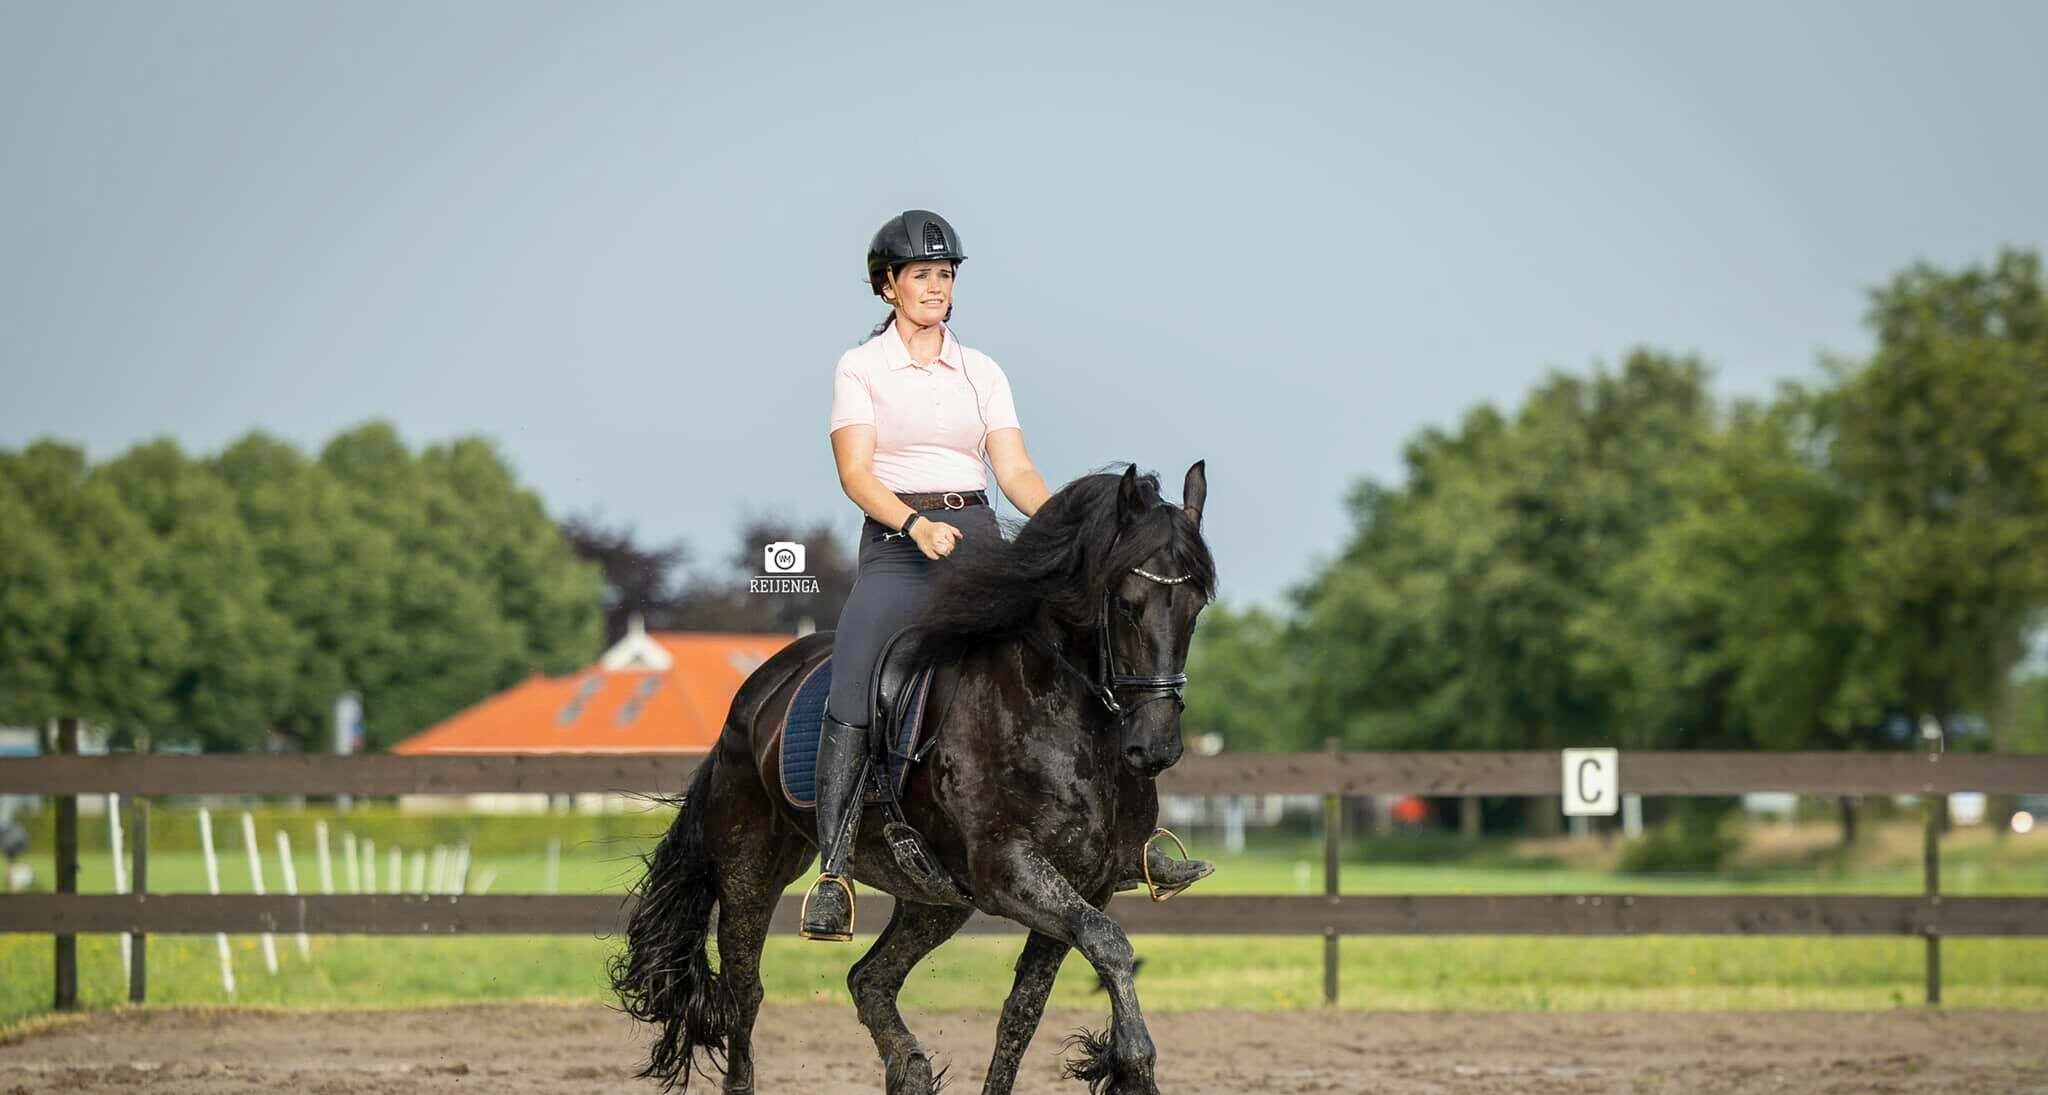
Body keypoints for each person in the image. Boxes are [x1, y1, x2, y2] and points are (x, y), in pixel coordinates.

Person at [802, 209, 1209, 942]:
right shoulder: (858, 369)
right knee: (859, 666)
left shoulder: (981, 370)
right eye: (922, 274)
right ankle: (831, 869)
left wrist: (1073, 533)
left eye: (946, 274)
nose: (936, 286)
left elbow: (1012, 467)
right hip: (900, 543)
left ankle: (1137, 839)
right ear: (888, 285)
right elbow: (855, 472)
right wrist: (914, 523)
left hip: (982, 537)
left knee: (1082, 650)